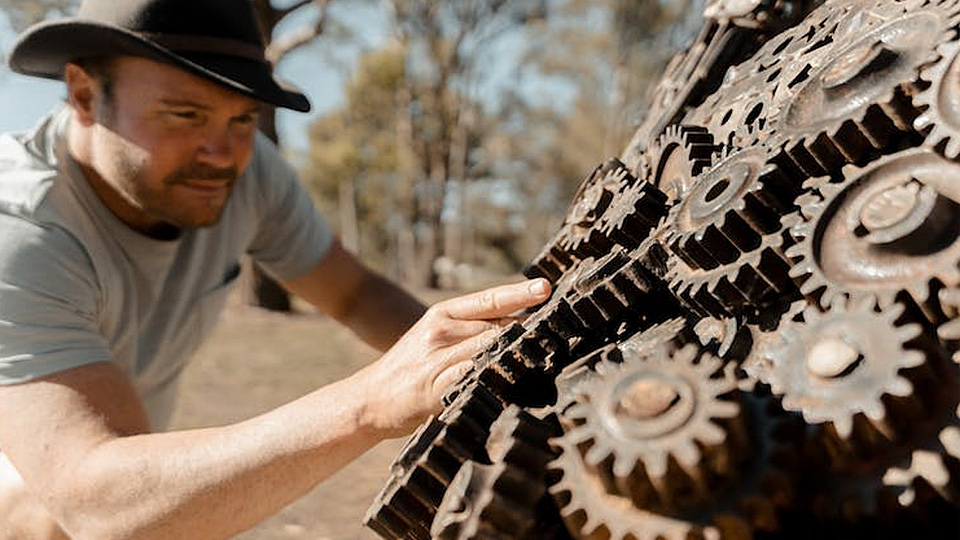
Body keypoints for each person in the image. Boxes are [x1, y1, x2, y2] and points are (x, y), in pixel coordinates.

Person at [0, 1, 551, 538]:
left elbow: (354, 294)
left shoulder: (247, 172)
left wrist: (475, 367)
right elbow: (94, 504)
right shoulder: (19, 230)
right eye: (185, 114)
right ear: (84, 95)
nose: (221, 152)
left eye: (243, 118)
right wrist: (366, 403)